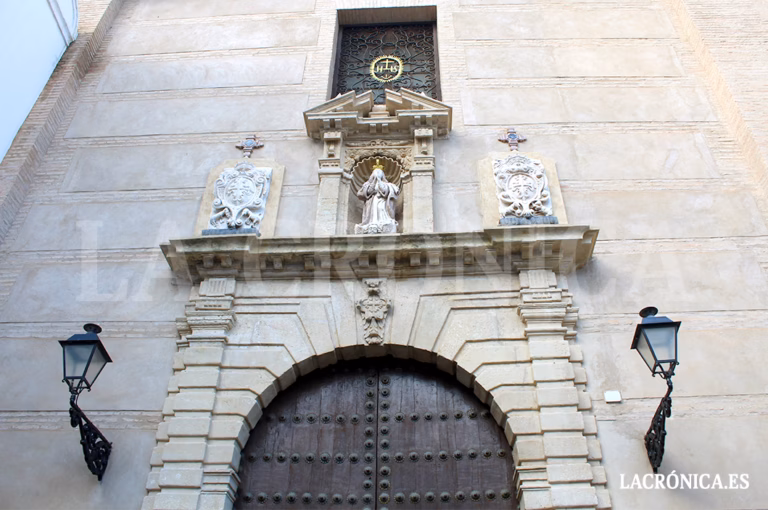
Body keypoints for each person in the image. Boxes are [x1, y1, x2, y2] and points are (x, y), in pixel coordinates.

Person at [355, 159, 399, 234]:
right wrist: (373, 184)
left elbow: (388, 191)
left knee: (380, 211)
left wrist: (379, 182)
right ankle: (371, 223)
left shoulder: (388, 185)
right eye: (375, 172)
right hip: (371, 203)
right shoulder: (367, 185)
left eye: (379, 172)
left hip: (382, 203)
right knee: (373, 213)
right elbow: (364, 193)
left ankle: (382, 223)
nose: (377, 174)